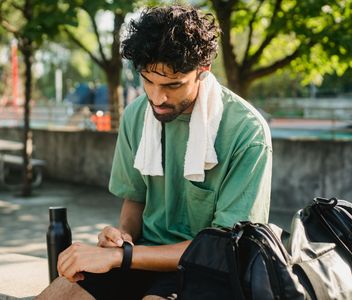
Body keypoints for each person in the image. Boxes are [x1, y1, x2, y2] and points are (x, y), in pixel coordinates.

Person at [37, 4, 272, 300]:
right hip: (141, 257)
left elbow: (224, 249)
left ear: (203, 70)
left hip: (210, 270)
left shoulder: (246, 131)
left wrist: (123, 258)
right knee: (59, 294)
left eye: (173, 85)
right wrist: (121, 238)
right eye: (148, 81)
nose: (157, 97)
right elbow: (135, 200)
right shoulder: (137, 115)